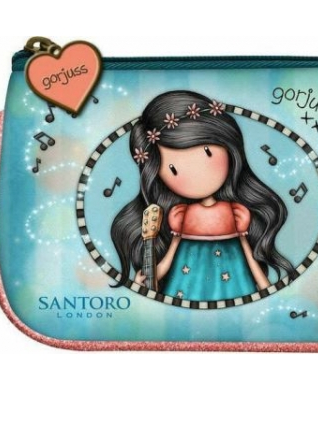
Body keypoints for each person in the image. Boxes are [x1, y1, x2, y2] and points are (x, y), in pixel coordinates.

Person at [111, 90, 294, 301]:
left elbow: (246, 250)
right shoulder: (180, 214)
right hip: (187, 284)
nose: (197, 174)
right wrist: (150, 277)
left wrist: (265, 286)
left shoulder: (236, 212)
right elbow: (173, 250)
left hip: (234, 282)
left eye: (207, 153)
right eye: (173, 169)